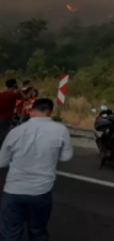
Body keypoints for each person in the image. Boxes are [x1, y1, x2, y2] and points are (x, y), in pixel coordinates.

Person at [0, 98, 73, 241]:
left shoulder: (16, 131)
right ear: (50, 112)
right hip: (41, 191)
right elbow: (66, 157)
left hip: (13, 190)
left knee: (10, 233)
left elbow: (1, 162)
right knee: (38, 231)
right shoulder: (61, 130)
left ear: (31, 111)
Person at [0, 79, 21, 147]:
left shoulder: (1, 94)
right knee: (4, 136)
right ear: (14, 85)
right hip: (6, 117)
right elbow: (25, 97)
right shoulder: (13, 95)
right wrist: (19, 89)